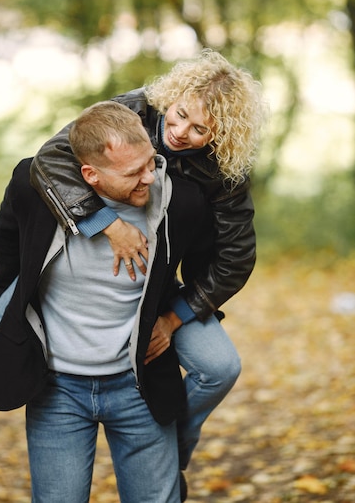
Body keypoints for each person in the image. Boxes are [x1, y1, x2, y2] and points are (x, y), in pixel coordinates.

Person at [0, 101, 220, 503]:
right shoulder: (35, 190)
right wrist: (10, 305)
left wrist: (174, 319)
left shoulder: (182, 202)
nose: (149, 178)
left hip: (139, 387)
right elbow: (7, 235)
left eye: (151, 164)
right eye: (132, 173)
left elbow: (205, 267)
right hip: (58, 393)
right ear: (91, 175)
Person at [30, 49, 266, 481]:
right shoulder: (130, 110)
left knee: (220, 367)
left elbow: (236, 257)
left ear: (220, 135)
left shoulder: (224, 168)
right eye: (178, 116)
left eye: (200, 130)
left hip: (171, 283)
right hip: (103, 269)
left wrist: (176, 318)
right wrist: (106, 223)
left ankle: (172, 441)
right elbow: (49, 160)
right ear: (170, 97)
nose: (180, 132)